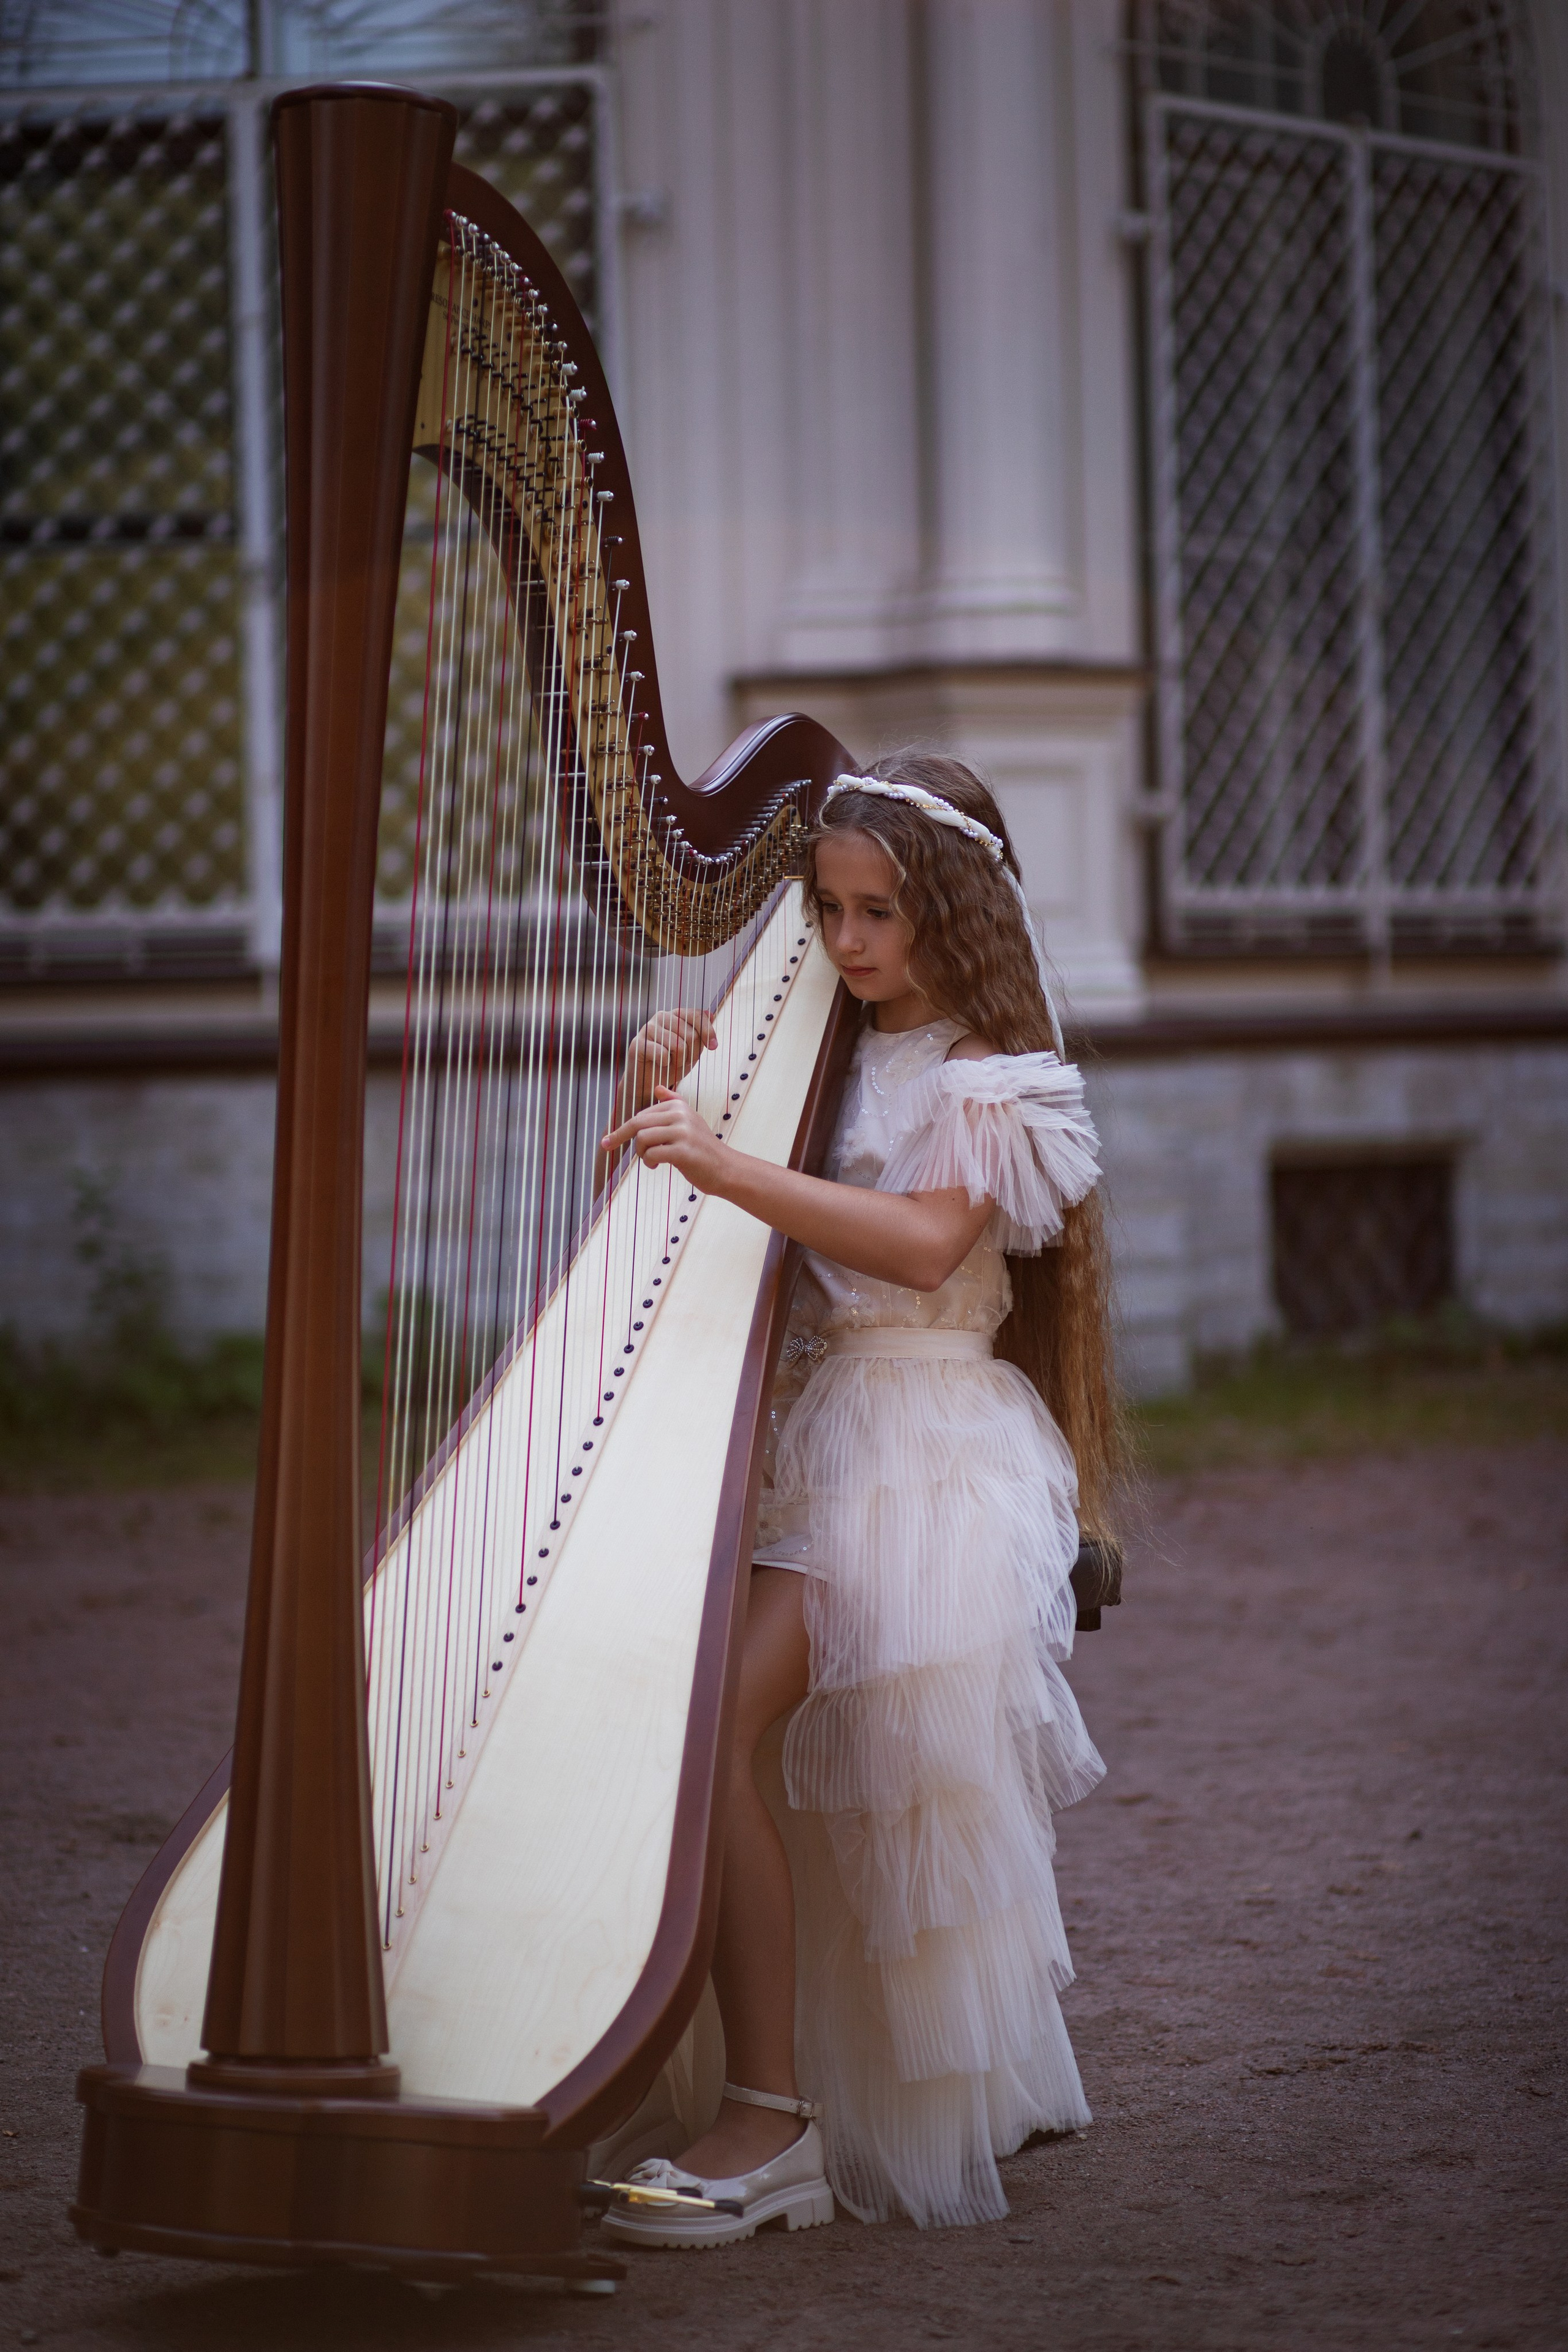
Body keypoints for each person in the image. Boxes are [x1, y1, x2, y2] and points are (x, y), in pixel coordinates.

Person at [597, 754, 1118, 2242]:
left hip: (921, 1461)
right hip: (810, 1443)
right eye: (826, 912)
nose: (847, 944)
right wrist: (661, 1101)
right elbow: (647, 1224)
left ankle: (773, 2123)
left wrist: (727, 1161)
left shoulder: (992, 1085)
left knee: (720, 1733)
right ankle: (761, 2084)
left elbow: (907, 1245)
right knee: (720, 1743)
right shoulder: (805, 1062)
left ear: (949, 912)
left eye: (877, 912)